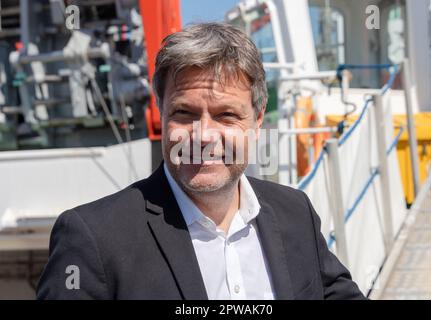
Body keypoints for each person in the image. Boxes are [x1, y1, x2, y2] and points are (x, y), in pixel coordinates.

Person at [37, 23, 365, 300]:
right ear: (161, 113)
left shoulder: (295, 212)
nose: (204, 135)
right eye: (184, 113)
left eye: (226, 116)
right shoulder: (92, 239)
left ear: (257, 120)